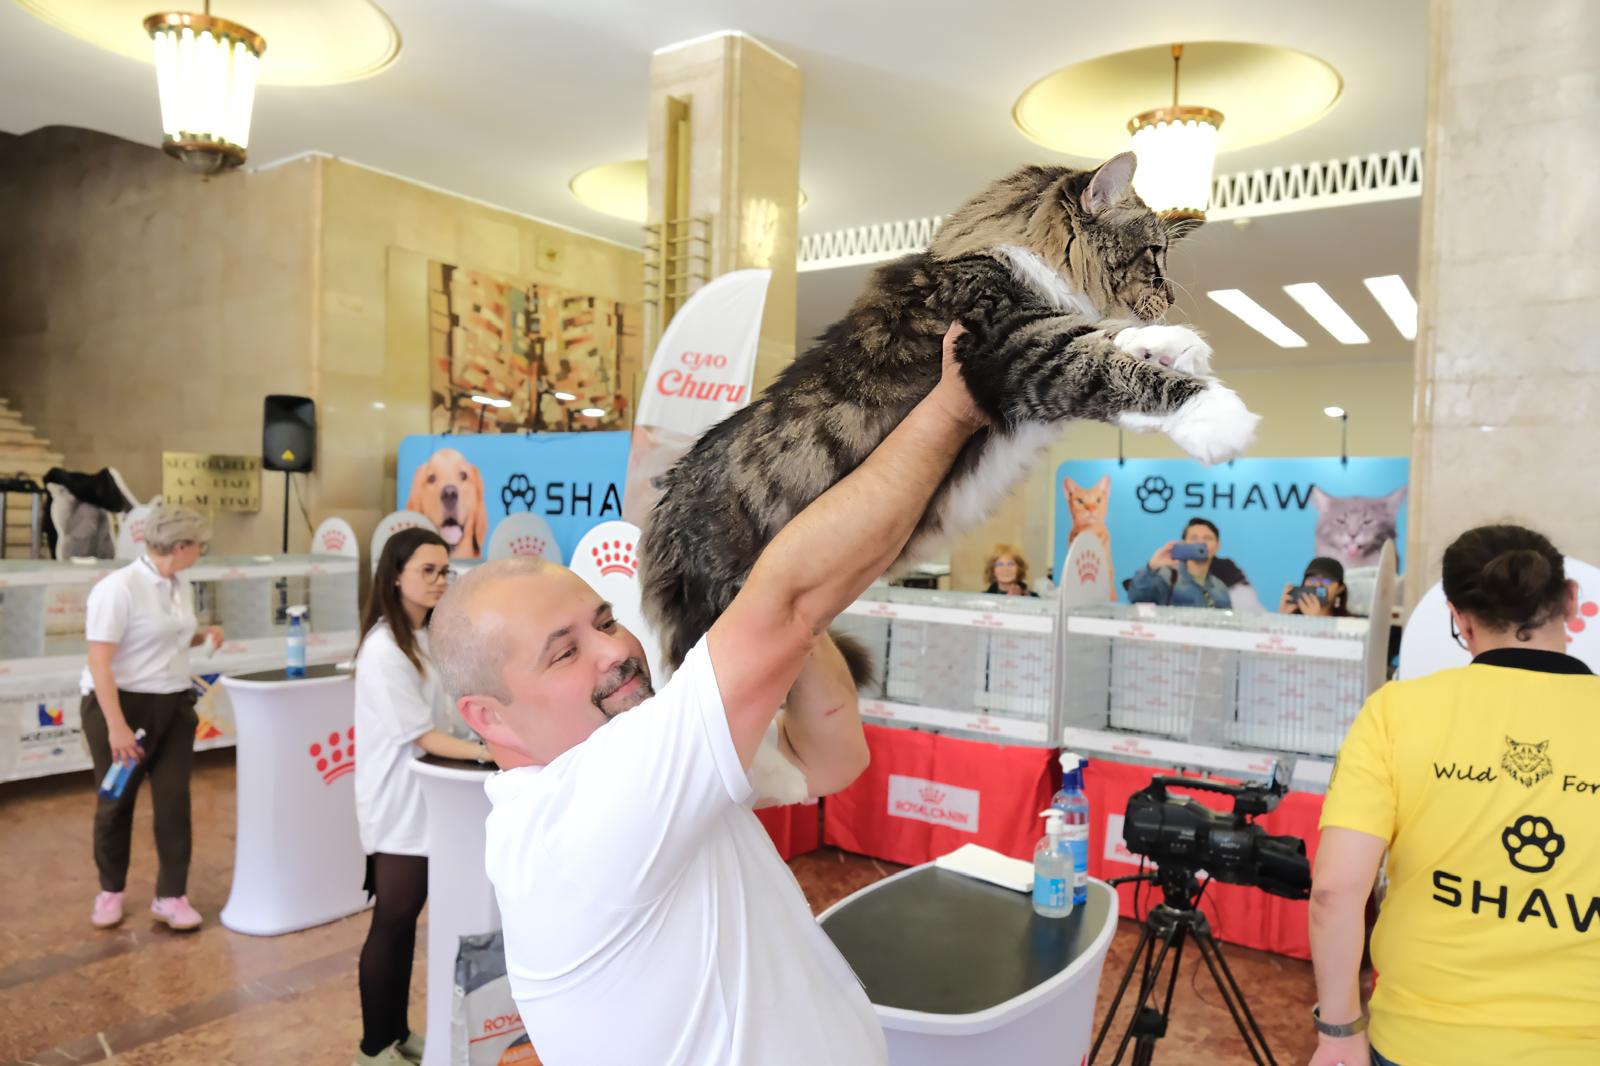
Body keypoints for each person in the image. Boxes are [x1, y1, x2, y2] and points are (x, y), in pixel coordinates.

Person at [427, 323, 985, 1065]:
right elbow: (791, 605)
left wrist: (761, 598)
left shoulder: (649, 772)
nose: (616, 650)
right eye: (565, 653)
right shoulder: (577, 815)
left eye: (604, 620)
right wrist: (953, 409)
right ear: (486, 717)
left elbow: (830, 758)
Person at [1309, 524, 1600, 1066]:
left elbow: (1335, 889)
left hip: (1423, 1039)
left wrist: (1339, 1031)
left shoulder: (1397, 712)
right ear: (1570, 599)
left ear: (1459, 620)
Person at [352, 528, 492, 1066]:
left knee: (405, 923)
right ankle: (373, 1047)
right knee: (393, 921)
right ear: (395, 577)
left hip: (431, 798)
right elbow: (424, 736)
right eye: (427, 571)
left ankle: (396, 1032)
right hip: (399, 804)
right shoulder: (384, 649)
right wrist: (486, 753)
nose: (439, 581)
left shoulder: (426, 637)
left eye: (444, 571)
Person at [81, 503, 222, 932]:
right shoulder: (118, 588)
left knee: (174, 801)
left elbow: (162, 636)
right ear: (181, 547)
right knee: (116, 802)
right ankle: (110, 890)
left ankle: (171, 895)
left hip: (173, 704)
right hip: (121, 705)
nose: (201, 552)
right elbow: (100, 661)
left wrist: (202, 636)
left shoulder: (179, 583)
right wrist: (117, 726)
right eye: (199, 545)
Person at [1127, 517, 1232, 608]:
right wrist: (1151, 567)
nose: (1201, 543)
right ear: (1183, 543)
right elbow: (1138, 599)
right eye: (1194, 538)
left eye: (1207, 538)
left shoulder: (1220, 587)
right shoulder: (1166, 577)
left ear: (1217, 546)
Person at [1279, 556, 1350, 617]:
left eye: (1327, 581)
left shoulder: (1350, 622)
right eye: (1312, 579)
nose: (1317, 585)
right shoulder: (1293, 615)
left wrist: (1315, 620)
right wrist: (1283, 616)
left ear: (1340, 589)